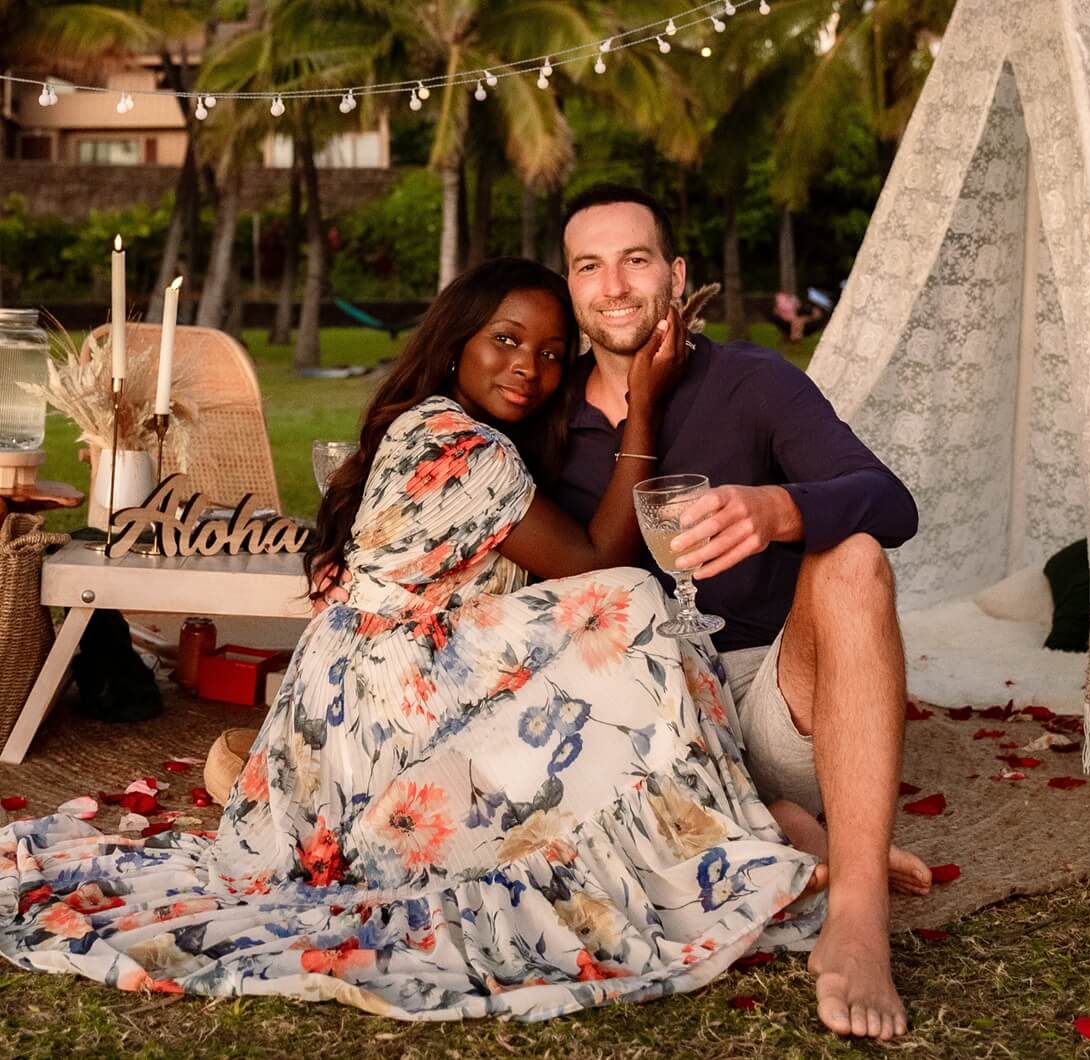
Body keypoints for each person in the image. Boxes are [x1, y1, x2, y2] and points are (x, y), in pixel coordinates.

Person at [0, 258, 825, 1020]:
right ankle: (742, 827)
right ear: (453, 341)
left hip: (395, 691)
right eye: (505, 340)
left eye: (547, 354)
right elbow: (596, 562)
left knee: (633, 638)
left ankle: (737, 825)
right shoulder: (452, 441)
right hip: (382, 718)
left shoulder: (444, 430)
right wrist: (644, 404)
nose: (527, 370)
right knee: (633, 601)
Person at [554, 185, 931, 1041]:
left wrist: (779, 510)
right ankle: (783, 828)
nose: (613, 284)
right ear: (570, 287)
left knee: (858, 553)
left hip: (767, 695)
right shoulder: (544, 412)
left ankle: (858, 916)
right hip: (633, 722)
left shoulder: (752, 380)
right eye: (589, 265)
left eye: (635, 259)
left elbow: (890, 501)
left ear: (676, 274)